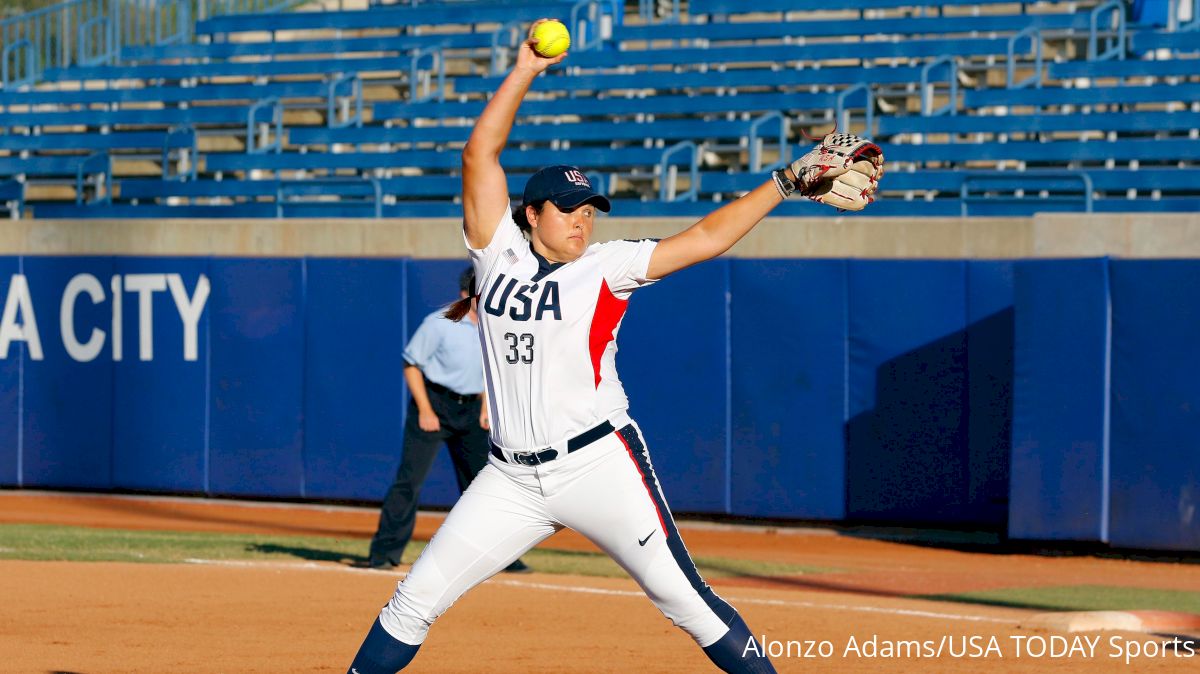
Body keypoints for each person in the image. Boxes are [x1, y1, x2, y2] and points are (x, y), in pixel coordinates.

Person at [346, 19, 882, 674]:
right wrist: (524, 71)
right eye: (568, 207)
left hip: (598, 463)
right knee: (412, 601)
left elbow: (706, 238)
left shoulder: (608, 266)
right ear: (531, 213)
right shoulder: (495, 251)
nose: (582, 218)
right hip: (510, 477)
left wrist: (784, 183)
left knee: (686, 601)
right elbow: (477, 157)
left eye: (590, 208)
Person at [367, 266, 529, 574]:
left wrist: (485, 407)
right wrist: (426, 410)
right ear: (465, 295)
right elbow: (411, 364)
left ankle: (502, 557)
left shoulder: (497, 326)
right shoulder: (440, 322)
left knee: (484, 485)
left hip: (471, 410)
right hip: (435, 405)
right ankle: (383, 553)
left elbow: (493, 372)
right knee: (409, 481)